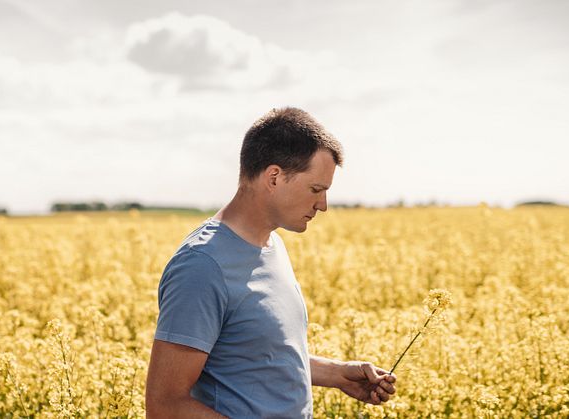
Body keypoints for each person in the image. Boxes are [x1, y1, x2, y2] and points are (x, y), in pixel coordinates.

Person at [145, 107, 397, 418]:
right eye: (316, 189)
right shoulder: (202, 266)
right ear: (274, 177)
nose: (323, 205)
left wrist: (337, 374)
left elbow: (255, 354)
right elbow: (165, 406)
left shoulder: (272, 244)